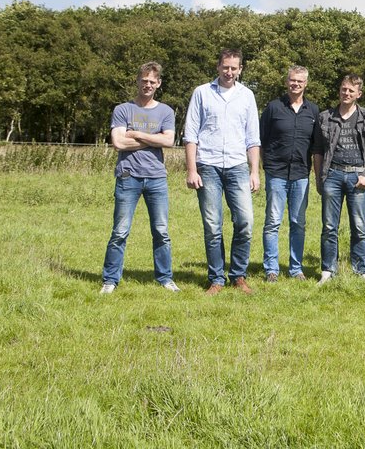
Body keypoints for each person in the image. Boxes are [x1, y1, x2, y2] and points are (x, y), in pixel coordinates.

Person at [184, 49, 262, 295]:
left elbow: (253, 138)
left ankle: (238, 275)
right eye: (225, 67)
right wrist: (191, 169)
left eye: (234, 68)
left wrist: (254, 172)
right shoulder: (202, 93)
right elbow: (190, 133)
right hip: (208, 165)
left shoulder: (247, 95)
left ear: (240, 69)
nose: (229, 72)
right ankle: (216, 279)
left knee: (246, 221)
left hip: (238, 166)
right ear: (218, 67)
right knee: (212, 225)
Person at [100, 62, 179, 294]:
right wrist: (153, 138)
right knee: (120, 231)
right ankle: (110, 280)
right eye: (144, 80)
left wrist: (136, 134)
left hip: (156, 178)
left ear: (159, 84)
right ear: (138, 81)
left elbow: (169, 141)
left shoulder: (165, 111)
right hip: (128, 176)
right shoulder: (122, 109)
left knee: (161, 231)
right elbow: (118, 142)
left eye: (152, 81)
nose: (148, 85)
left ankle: (165, 278)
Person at [312, 74, 365, 282]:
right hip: (332, 175)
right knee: (328, 226)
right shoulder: (325, 117)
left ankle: (360, 270)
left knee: (359, 226)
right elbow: (317, 150)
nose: (346, 93)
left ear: (358, 94)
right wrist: (319, 178)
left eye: (351, 91)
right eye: (344, 89)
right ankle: (328, 271)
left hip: (358, 176)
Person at [259, 66, 320, 282]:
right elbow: (261, 141)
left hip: (301, 175)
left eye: (300, 81)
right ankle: (271, 269)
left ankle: (296, 269)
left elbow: (316, 147)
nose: (295, 84)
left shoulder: (313, 111)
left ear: (306, 84)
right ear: (287, 82)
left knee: (298, 222)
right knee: (273, 222)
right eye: (292, 80)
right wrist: (266, 166)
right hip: (276, 173)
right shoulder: (274, 108)